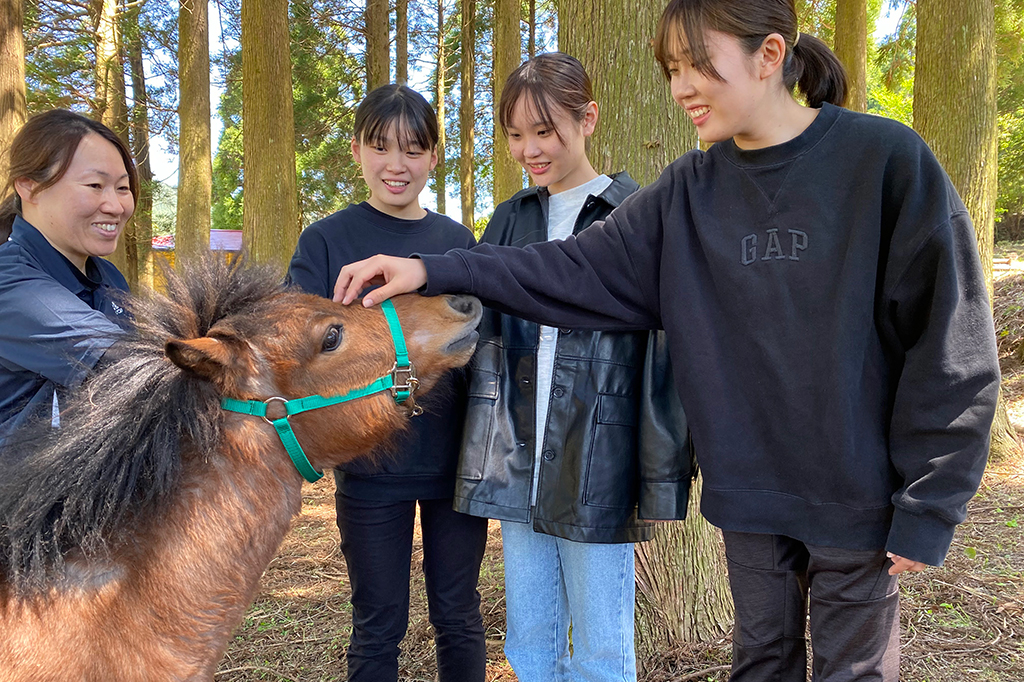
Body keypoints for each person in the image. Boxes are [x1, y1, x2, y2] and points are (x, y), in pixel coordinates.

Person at [331, 2, 1002, 681]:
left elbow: (950, 339)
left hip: (858, 496)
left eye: (699, 65)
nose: (681, 88)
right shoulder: (689, 188)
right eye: (672, 69)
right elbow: (571, 268)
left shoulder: (883, 161)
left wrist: (932, 500)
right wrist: (431, 267)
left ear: (770, 55)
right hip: (750, 496)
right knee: (762, 659)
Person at [455, 52, 692, 682]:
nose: (530, 149)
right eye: (515, 135)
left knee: (600, 644)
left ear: (587, 118)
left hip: (598, 448)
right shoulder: (511, 217)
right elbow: (481, 324)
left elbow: (665, 346)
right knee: (528, 639)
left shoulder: (633, 210)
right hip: (516, 448)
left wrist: (660, 464)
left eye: (545, 130)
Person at [285, 84, 488, 682]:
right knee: (378, 624)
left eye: (413, 149)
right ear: (356, 151)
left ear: (433, 157)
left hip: (455, 463)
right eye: (380, 147)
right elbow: (298, 348)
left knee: (459, 614)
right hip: (370, 469)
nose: (396, 165)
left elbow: (482, 342)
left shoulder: (457, 242)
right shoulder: (325, 241)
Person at [0, 109, 136, 443]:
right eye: (95, 185)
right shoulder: (9, 281)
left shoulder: (109, 278)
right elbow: (128, 362)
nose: (116, 206)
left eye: (122, 188)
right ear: (29, 187)